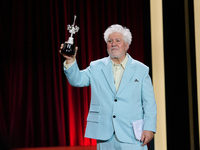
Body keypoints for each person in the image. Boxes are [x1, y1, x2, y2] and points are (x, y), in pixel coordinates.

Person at [60, 24, 157, 150]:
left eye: (118, 41)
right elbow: (77, 80)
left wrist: (149, 128)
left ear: (127, 45)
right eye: (110, 41)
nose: (113, 44)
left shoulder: (141, 69)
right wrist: (70, 60)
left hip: (133, 135)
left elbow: (149, 103)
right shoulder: (96, 67)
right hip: (105, 134)